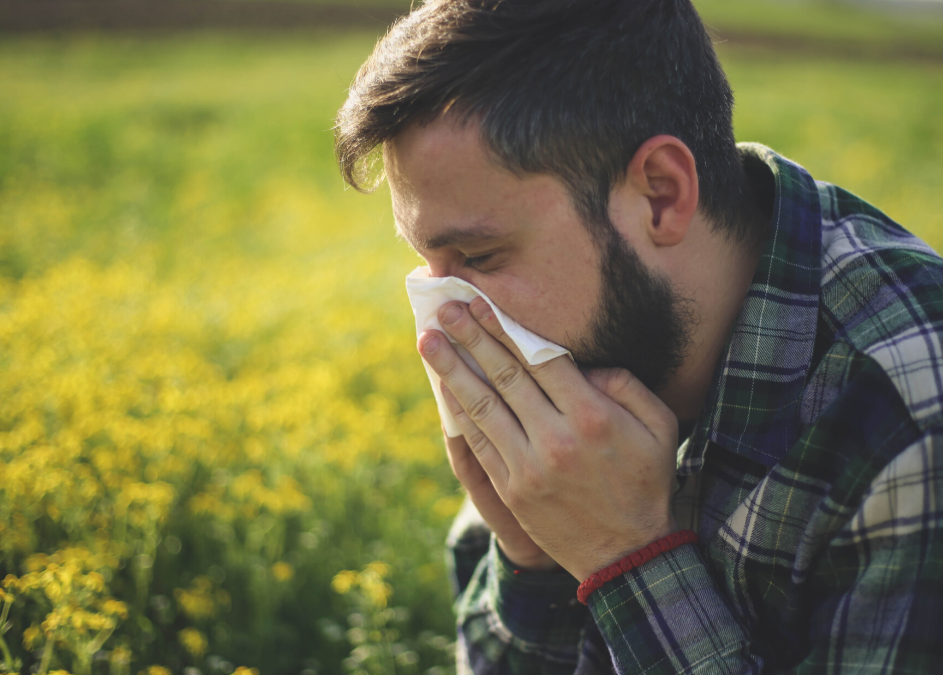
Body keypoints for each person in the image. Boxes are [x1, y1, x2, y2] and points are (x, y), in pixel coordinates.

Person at [334, 0, 943, 672]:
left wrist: (625, 557)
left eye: (478, 257)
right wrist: (533, 560)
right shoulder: (574, 367)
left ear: (659, 194)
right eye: (426, 263)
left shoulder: (911, 412)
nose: (443, 316)